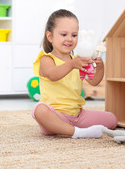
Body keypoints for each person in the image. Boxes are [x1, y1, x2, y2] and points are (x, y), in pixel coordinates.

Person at [31, 9, 117, 139]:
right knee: (39, 110)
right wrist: (72, 65)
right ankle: (77, 133)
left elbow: (94, 81)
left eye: (74, 35)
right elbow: (53, 75)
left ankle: (69, 128)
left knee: (112, 119)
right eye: (64, 34)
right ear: (50, 36)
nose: (69, 39)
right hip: (55, 115)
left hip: (77, 116)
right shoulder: (46, 59)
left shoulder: (77, 60)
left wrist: (100, 68)